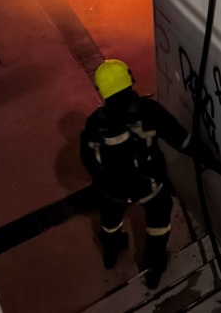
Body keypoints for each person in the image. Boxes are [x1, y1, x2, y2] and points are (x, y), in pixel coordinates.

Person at [80, 59, 191, 290]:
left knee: (110, 223)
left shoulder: (94, 124)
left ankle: (111, 252)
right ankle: (155, 267)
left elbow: (89, 160)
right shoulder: (149, 111)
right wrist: (203, 153)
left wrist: (103, 181)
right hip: (151, 188)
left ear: (101, 91)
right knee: (158, 224)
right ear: (130, 79)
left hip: (113, 192)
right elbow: (179, 137)